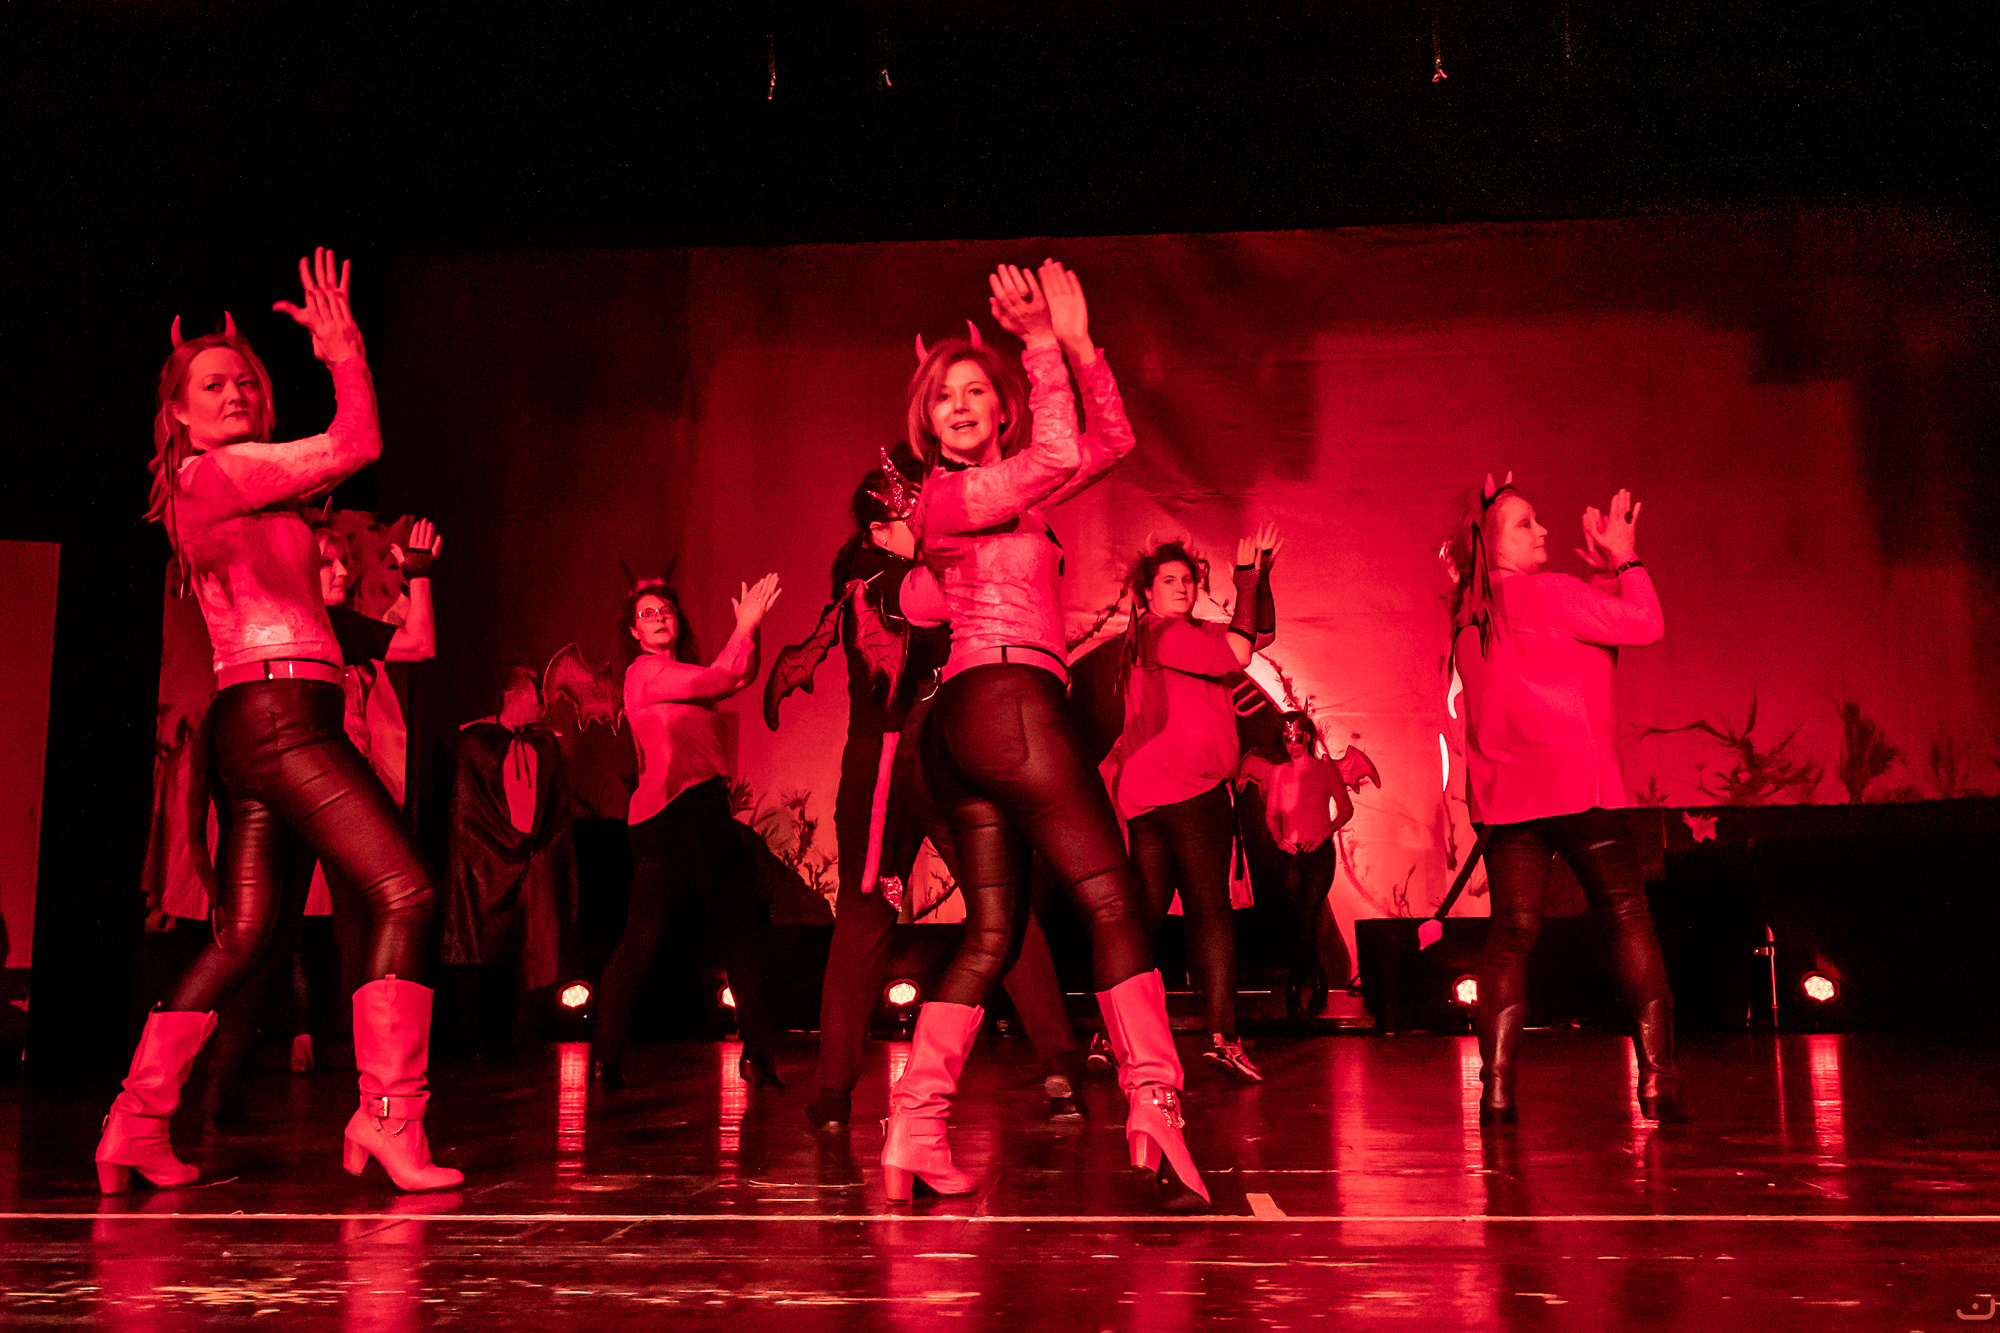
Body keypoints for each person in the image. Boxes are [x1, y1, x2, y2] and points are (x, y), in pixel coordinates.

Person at [98, 249, 461, 1193]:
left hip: (262, 713)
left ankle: (134, 1121)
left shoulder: (240, 486)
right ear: (177, 413)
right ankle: (390, 1115)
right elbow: (357, 442)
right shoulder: (213, 474)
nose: (237, 393)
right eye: (213, 385)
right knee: (406, 891)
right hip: (279, 712)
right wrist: (346, 355)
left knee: (244, 935)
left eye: (248, 382)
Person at [887, 259, 1210, 1211]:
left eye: (972, 390)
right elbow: (1061, 448)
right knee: (1114, 900)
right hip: (1006, 701)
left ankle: (915, 1124)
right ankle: (1155, 1103)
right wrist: (1037, 344)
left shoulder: (1008, 494)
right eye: (942, 396)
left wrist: (1077, 347)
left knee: (992, 930)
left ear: (1000, 410)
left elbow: (1105, 442)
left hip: (974, 721)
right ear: (926, 420)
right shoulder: (947, 498)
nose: (957, 405)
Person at [773, 457, 1084, 1133]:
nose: (925, 519)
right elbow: (923, 599)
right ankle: (833, 1087)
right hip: (885, 767)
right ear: (878, 526)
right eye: (911, 511)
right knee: (865, 917)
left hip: (951, 756)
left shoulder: (940, 559)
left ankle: (1062, 1062)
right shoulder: (867, 571)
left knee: (1002, 910)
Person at [1445, 473, 1685, 1125]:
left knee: (1510, 936)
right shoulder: (1548, 593)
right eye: (1524, 523)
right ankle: (1658, 1083)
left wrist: (1599, 584)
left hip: (1508, 801)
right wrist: (1625, 561)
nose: (1542, 529)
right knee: (1627, 917)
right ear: (1489, 543)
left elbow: (1575, 652)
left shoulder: (1468, 613)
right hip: (1579, 788)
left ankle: (1497, 1091)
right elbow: (1646, 625)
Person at [199, 517, 442, 1123]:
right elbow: (417, 644)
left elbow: (417, 643)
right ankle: (370, 1102)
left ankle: (375, 1099)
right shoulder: (307, 625)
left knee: (333, 932)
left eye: (343, 563)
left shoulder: (331, 624)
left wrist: (418, 576)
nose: (341, 573)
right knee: (269, 938)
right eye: (326, 561)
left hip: (320, 786)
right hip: (304, 784)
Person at [592, 573, 787, 1089]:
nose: (659, 618)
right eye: (648, 614)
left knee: (730, 929)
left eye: (666, 611)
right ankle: (608, 1057)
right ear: (633, 631)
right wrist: (742, 628)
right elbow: (722, 679)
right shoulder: (642, 673)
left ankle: (755, 1055)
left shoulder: (684, 675)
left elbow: (737, 678)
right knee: (659, 938)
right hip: (677, 815)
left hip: (691, 812)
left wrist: (752, 628)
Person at [1101, 532, 1278, 1082]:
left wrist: (1262, 579)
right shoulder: (1163, 633)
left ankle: (1114, 1035)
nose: (1181, 588)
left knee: (1146, 918)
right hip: (1187, 792)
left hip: (1153, 796)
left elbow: (1261, 633)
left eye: (1188, 580)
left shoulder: (1185, 633)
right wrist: (1246, 577)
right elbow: (1240, 652)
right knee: (1209, 911)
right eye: (1169, 581)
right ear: (1146, 594)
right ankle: (1223, 1037)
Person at [1236, 711, 1355, 1021]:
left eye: (1297, 738)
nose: (1293, 743)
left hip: (1318, 854)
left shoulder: (1326, 771)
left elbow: (1345, 810)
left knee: (1306, 918)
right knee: (1297, 922)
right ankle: (1316, 978)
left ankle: (1295, 982)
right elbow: (1270, 814)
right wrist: (1278, 839)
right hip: (1289, 854)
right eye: (1287, 738)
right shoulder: (1277, 773)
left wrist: (1324, 831)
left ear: (1308, 737)